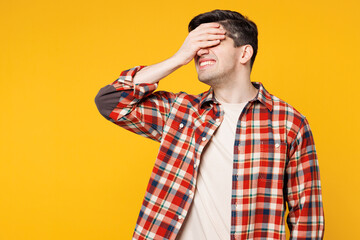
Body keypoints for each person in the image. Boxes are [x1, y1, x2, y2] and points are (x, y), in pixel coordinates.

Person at [94, 9, 325, 240]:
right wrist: (178, 58)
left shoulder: (288, 122)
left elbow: (307, 217)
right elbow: (110, 101)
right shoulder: (181, 111)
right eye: (196, 44)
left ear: (244, 53)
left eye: (212, 41)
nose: (200, 51)